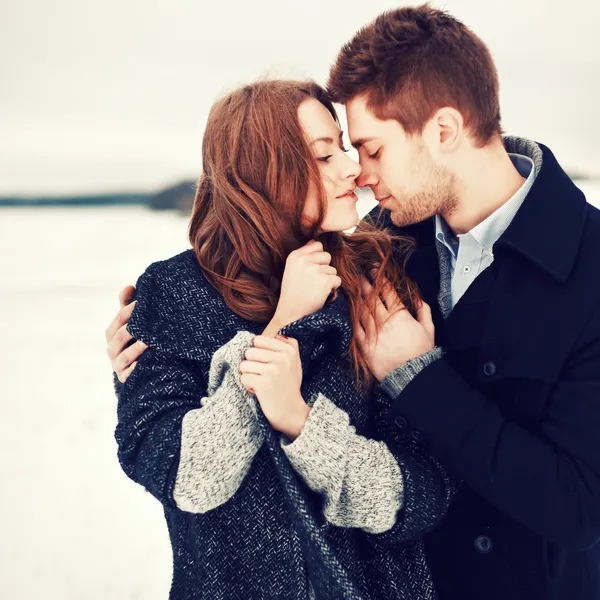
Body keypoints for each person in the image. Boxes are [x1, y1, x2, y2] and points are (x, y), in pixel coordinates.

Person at [107, 80, 455, 600]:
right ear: (261, 176)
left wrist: (304, 426)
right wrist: (279, 328)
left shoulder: (377, 282)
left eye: (342, 146)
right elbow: (190, 478)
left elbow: (423, 495)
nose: (351, 167)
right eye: (323, 154)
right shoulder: (174, 293)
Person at [322, 5, 600, 600]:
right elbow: (280, 310)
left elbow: (582, 507)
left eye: (372, 149)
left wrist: (418, 378)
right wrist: (160, 339)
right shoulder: (383, 245)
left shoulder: (592, 266)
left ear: (443, 130)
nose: (362, 174)